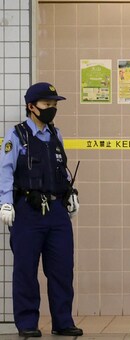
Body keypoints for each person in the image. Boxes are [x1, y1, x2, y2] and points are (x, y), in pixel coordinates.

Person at [0, 82, 82, 337]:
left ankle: (62, 322)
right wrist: (5, 202)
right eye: (47, 105)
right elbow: (5, 171)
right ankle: (27, 324)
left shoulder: (55, 136)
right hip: (28, 211)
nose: (52, 109)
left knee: (62, 269)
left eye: (54, 105)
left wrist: (70, 194)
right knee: (25, 269)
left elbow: (61, 170)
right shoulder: (18, 136)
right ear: (31, 106)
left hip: (56, 211)